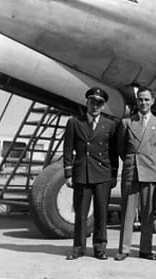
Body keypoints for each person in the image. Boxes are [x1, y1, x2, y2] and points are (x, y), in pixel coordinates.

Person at [64, 87, 119, 260]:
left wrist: (113, 175)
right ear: (87, 103)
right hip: (83, 173)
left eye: (99, 103)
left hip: (102, 174)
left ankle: (100, 248)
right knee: (81, 213)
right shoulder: (74, 122)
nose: (95, 106)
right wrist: (68, 173)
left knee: (101, 213)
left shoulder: (110, 125)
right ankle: (78, 248)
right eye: (92, 102)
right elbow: (67, 150)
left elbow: (113, 152)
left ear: (103, 106)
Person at [114, 86, 156, 261]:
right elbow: (121, 149)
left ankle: (146, 249)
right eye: (140, 99)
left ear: (152, 101)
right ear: (137, 101)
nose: (143, 103)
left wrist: (151, 160)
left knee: (148, 213)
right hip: (132, 171)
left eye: (146, 99)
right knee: (128, 212)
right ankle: (124, 249)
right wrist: (133, 161)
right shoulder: (127, 123)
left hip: (150, 172)